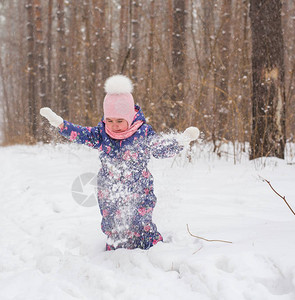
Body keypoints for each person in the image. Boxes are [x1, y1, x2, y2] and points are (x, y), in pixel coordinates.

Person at [40, 75, 199, 250]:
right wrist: (62, 125)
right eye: (109, 120)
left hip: (140, 185)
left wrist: (179, 142)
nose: (114, 125)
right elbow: (81, 134)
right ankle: (116, 246)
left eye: (119, 121)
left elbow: (158, 148)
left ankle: (151, 246)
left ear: (129, 117)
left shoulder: (142, 132)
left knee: (141, 220)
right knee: (112, 221)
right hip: (109, 186)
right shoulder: (101, 133)